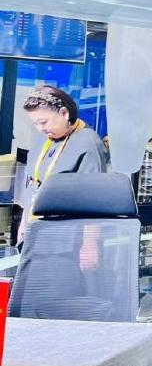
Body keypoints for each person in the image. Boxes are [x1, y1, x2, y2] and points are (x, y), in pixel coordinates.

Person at [16, 86, 107, 246]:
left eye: (43, 122)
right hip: (35, 230)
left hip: (67, 235)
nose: (41, 128)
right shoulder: (43, 139)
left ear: (64, 113)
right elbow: (31, 185)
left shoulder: (88, 142)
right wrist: (23, 225)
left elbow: (94, 198)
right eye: (36, 124)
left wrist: (90, 244)